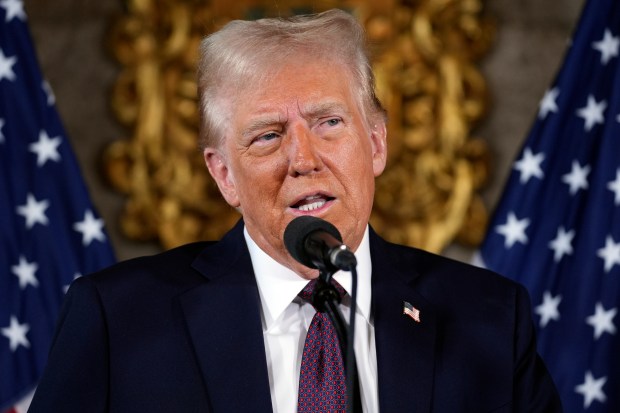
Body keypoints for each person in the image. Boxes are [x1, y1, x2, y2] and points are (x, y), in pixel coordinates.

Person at [28, 9, 562, 413]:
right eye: (267, 135)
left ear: (376, 143)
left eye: (329, 122)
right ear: (223, 174)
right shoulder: (116, 320)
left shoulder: (490, 319)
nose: (303, 159)